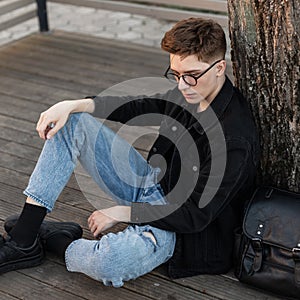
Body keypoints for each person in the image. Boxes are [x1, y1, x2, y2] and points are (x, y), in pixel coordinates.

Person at [0, 17, 259, 287]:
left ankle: (57, 240)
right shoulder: (192, 91)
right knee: (72, 121)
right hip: (153, 184)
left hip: (181, 229)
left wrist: (124, 213)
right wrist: (74, 104)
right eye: (176, 74)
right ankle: (25, 238)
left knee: (110, 263)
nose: (182, 85)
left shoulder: (234, 138)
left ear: (219, 68)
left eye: (191, 76)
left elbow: (195, 215)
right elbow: (140, 106)